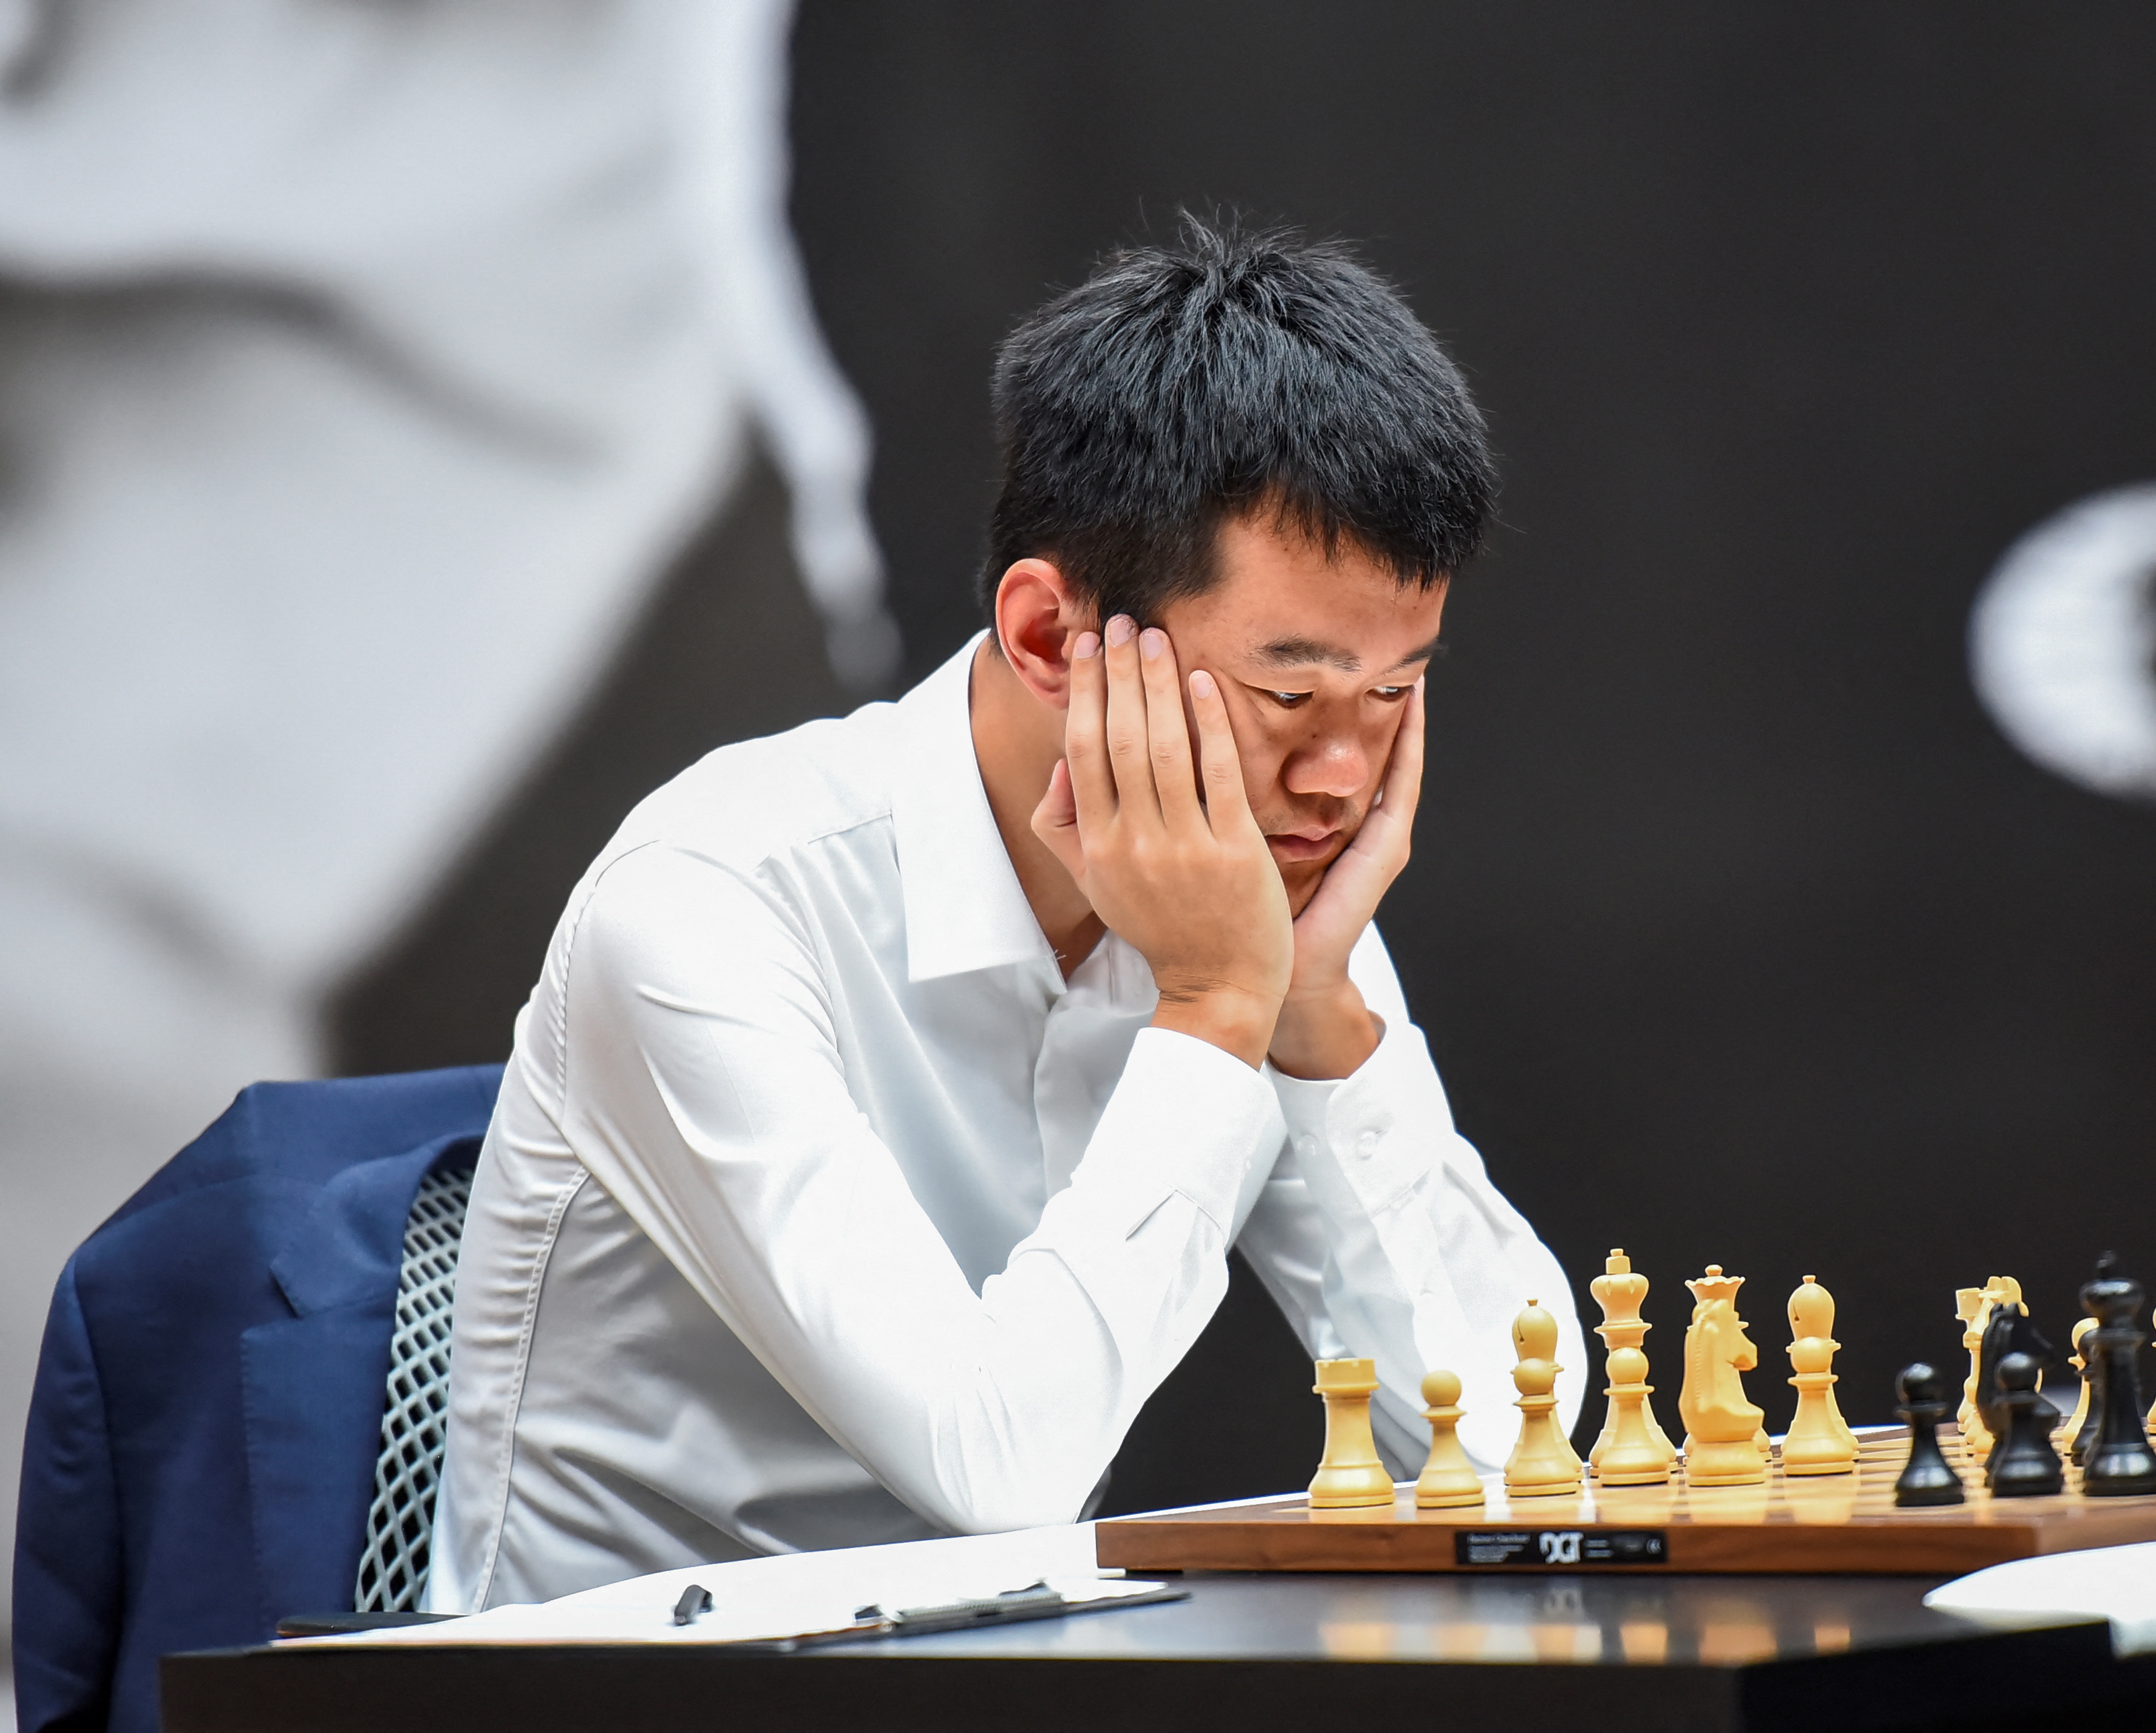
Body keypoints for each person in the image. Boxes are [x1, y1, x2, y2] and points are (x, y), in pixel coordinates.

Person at [426, 215, 1583, 1611]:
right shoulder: (708, 902)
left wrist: (1315, 1017)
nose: (1343, 776)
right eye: (1290, 695)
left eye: (1394, 694)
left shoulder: (1261, 895)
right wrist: (1218, 1008)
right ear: (1049, 637)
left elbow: (1513, 1444)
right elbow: (996, 1468)